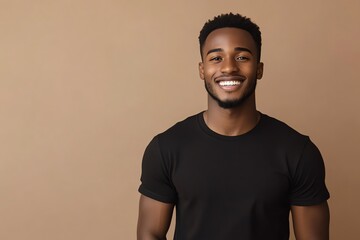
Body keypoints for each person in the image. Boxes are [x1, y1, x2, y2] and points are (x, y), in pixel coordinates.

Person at [137, 13, 330, 240]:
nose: (228, 68)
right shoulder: (166, 148)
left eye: (242, 57)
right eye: (216, 58)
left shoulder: (298, 152)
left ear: (259, 69)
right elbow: (149, 233)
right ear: (202, 70)